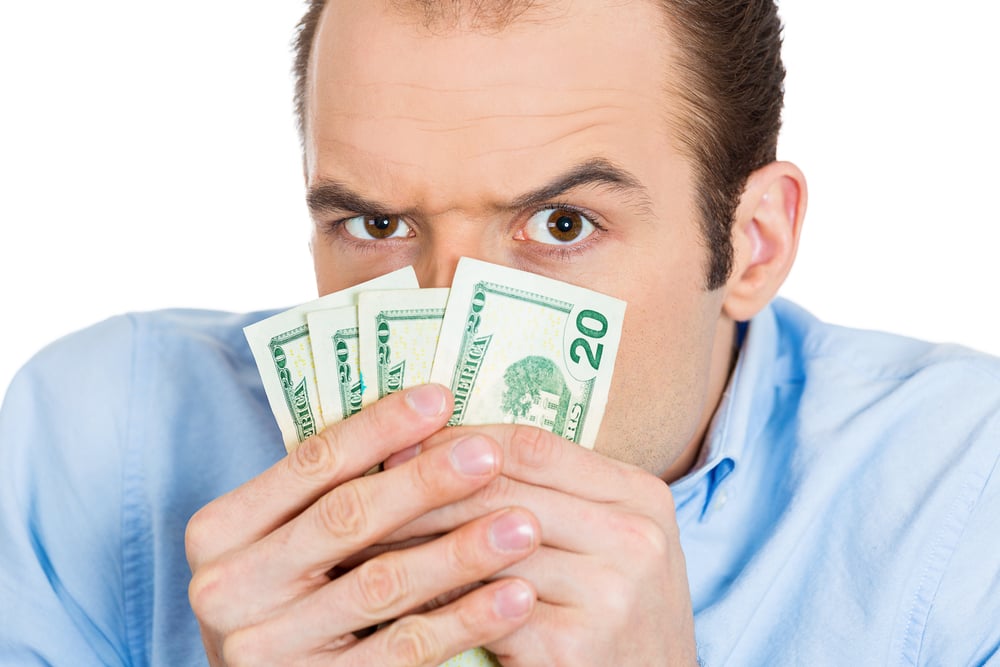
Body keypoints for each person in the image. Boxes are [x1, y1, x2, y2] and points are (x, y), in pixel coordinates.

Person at [1, 1, 997, 665]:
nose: (445, 334)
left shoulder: (963, 497)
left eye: (562, 226)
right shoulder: (98, 445)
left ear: (753, 244)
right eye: (376, 225)